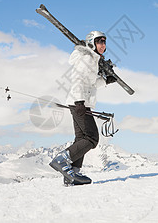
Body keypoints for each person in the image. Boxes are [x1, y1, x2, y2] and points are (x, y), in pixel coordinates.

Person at [49, 31, 116, 186]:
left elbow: (91, 83)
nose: (103, 45)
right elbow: (78, 79)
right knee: (91, 138)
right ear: (92, 43)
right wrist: (79, 102)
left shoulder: (93, 59)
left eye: (104, 42)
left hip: (81, 102)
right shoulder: (86, 58)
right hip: (79, 102)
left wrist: (106, 81)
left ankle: (72, 174)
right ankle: (61, 159)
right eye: (99, 41)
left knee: (81, 139)